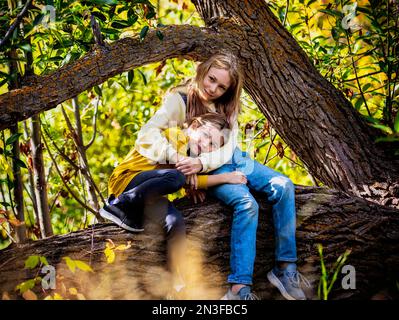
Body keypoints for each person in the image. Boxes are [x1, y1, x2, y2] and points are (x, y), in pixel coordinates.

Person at [134, 51, 309, 300]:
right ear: (203, 71)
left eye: (221, 86)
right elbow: (146, 134)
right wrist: (180, 161)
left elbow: (228, 148)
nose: (213, 88)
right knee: (247, 204)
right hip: (214, 169)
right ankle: (239, 288)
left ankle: (285, 268)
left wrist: (200, 162)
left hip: (231, 158)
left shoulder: (225, 106)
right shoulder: (180, 100)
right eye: (211, 79)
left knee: (283, 185)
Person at [100, 112, 247, 297]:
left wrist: (193, 179)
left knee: (175, 221)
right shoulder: (174, 136)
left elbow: (191, 181)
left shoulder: (190, 157)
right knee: (176, 177)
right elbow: (182, 178)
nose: (206, 145)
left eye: (212, 145)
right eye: (206, 136)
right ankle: (118, 205)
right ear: (193, 127)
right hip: (127, 182)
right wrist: (225, 177)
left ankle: (172, 284)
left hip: (149, 195)